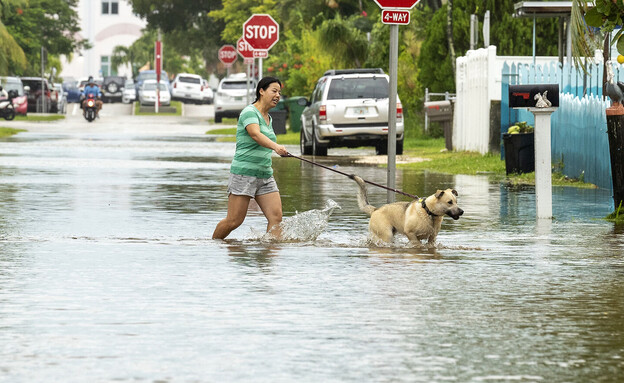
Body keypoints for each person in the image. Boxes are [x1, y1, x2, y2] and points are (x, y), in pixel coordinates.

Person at [212, 77, 289, 240]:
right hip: (243, 174)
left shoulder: (269, 118)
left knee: (276, 219)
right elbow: (255, 134)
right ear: (261, 91)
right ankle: (214, 245)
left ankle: (270, 258)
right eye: (274, 91)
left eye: (279, 93)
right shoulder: (249, 112)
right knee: (234, 221)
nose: (277, 95)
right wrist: (276, 147)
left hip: (265, 175)